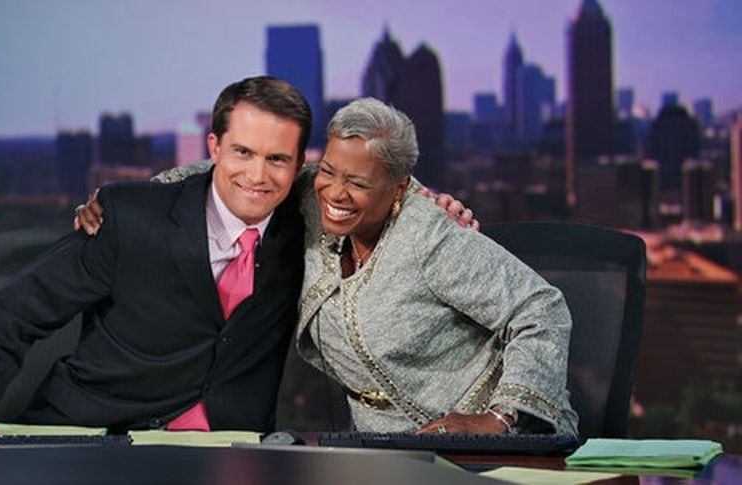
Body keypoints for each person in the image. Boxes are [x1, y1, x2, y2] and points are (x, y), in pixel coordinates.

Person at [78, 99, 579, 436]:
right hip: (394, 455)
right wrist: (127, 202)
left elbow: (542, 308)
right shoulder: (310, 198)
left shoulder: (430, 234)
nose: (335, 193)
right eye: (330, 171)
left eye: (357, 183)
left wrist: (500, 419)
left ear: (400, 188)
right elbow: (226, 177)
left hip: (499, 447)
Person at [0, 76, 310, 436]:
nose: (257, 174)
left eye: (277, 159)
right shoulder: (128, 218)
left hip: (227, 451)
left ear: (298, 166)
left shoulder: (303, 233)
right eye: (243, 152)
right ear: (214, 147)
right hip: (97, 437)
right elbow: (13, 311)